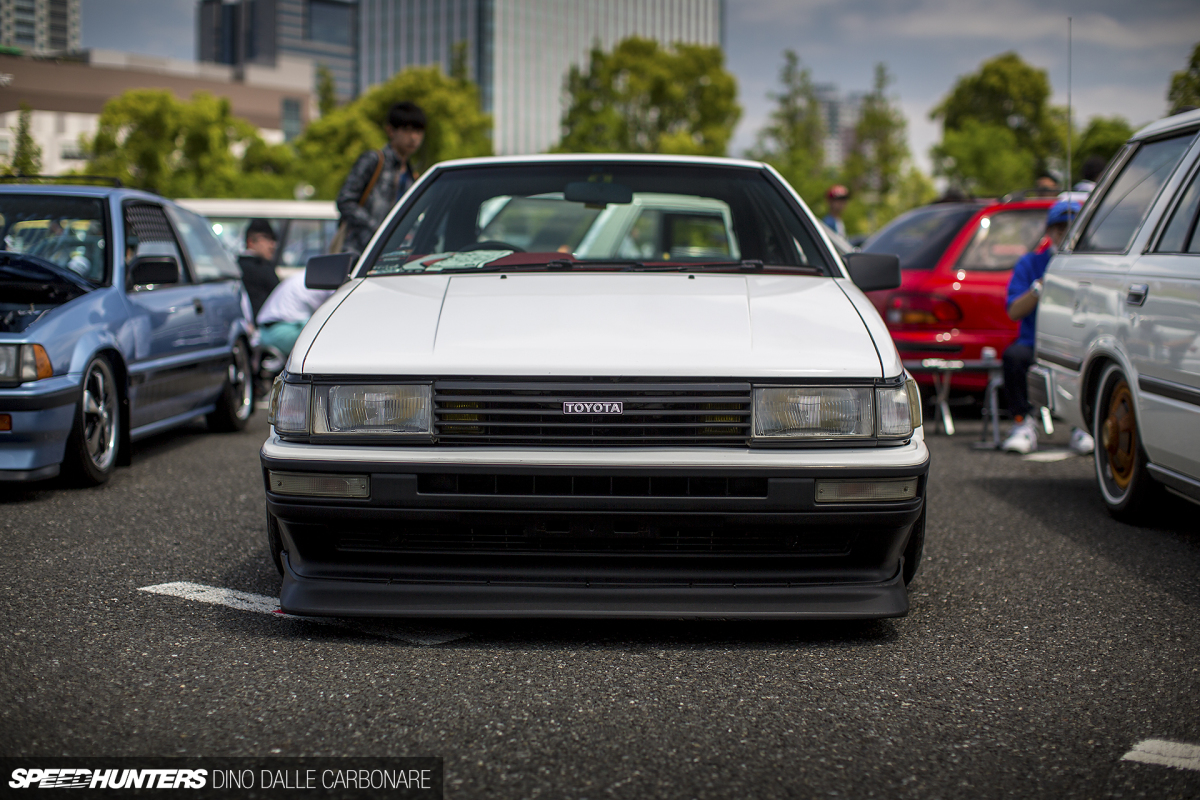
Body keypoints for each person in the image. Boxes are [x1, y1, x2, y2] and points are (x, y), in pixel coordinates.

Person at [1000, 200, 1091, 455]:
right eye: (1060, 229)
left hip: (1075, 345)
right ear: (1050, 232)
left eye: (1073, 229)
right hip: (1035, 343)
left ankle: (1082, 426)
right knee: (1014, 357)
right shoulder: (1030, 264)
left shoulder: (1091, 265)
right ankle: (1022, 423)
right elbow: (1013, 311)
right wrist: (1040, 287)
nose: (1066, 235)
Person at [335, 101, 426, 254]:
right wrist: (377, 231)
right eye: (407, 130)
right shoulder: (374, 160)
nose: (414, 137)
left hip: (390, 255)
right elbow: (345, 200)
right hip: (357, 252)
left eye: (419, 131)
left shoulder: (413, 175)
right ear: (390, 131)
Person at [256, 272, 335, 356]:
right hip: (276, 330)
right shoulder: (329, 281)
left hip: (270, 330)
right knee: (326, 330)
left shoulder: (314, 276)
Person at [238, 218, 280, 319]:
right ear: (251, 241)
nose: (272, 245)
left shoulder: (236, 266)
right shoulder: (261, 267)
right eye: (267, 238)